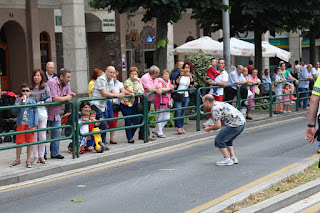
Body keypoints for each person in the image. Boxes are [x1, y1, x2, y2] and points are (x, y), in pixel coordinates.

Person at [203, 94, 245, 166]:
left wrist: (209, 129)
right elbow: (223, 121)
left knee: (219, 140)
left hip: (235, 124)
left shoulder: (214, 109)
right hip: (241, 123)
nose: (203, 104)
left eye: (203, 102)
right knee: (228, 140)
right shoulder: (219, 103)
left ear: (207, 101)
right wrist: (213, 126)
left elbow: (218, 126)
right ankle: (233, 157)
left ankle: (227, 159)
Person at [91, 66, 125, 146]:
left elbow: (113, 91)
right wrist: (117, 95)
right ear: (106, 71)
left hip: (103, 105)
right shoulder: (102, 79)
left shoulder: (111, 80)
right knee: (102, 124)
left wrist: (118, 94)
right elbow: (104, 93)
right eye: (110, 72)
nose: (112, 74)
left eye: (113, 73)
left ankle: (99, 142)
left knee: (102, 124)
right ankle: (100, 143)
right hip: (96, 105)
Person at [47, 68, 74, 159]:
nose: (69, 79)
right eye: (68, 77)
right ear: (61, 77)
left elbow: (69, 95)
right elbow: (54, 98)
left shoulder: (66, 83)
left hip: (56, 112)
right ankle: (42, 155)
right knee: (41, 135)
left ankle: (54, 153)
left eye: (70, 77)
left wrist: (65, 97)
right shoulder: (52, 82)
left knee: (57, 133)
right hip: (46, 112)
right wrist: (65, 98)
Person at [10, 83, 38, 168]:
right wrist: (19, 102)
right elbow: (13, 111)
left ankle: (28, 159)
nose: (25, 93)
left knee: (30, 142)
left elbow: (36, 114)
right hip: (21, 123)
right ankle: (17, 159)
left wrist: (35, 125)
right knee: (19, 142)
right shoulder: (18, 100)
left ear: (30, 92)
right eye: (23, 91)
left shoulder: (32, 102)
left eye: (27, 91)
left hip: (29, 124)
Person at [30, 69, 52, 165]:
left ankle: (41, 156)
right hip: (32, 112)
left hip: (42, 111)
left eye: (38, 75)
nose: (36, 77)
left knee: (42, 135)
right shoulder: (30, 87)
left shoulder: (45, 86)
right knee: (34, 135)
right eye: (35, 75)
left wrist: (42, 102)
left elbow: (50, 98)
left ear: (41, 77)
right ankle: (35, 157)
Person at [120, 67, 144, 143]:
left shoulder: (138, 81)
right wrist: (135, 85)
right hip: (126, 104)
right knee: (128, 121)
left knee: (137, 121)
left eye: (135, 74)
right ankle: (129, 138)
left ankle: (131, 135)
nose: (134, 75)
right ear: (129, 74)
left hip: (135, 103)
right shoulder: (127, 82)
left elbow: (141, 91)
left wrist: (136, 83)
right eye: (132, 74)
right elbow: (133, 91)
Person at [203, 58, 228, 126]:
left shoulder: (224, 73)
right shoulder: (213, 70)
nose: (220, 64)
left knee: (217, 108)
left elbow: (224, 84)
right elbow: (205, 78)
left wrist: (215, 83)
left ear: (224, 65)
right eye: (219, 63)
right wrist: (208, 81)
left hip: (219, 93)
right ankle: (211, 120)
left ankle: (217, 122)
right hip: (211, 92)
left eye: (222, 63)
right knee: (209, 106)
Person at [139, 65, 162, 141]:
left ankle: (142, 134)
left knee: (145, 117)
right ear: (155, 73)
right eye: (158, 73)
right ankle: (146, 135)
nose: (158, 75)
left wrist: (158, 88)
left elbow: (157, 85)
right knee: (145, 117)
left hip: (148, 100)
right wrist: (156, 90)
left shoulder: (154, 78)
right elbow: (149, 89)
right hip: (143, 100)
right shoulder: (146, 78)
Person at [174, 62, 194, 134]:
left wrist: (190, 77)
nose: (186, 69)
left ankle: (181, 127)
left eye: (188, 68)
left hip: (186, 95)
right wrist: (180, 76)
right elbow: (176, 83)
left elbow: (192, 84)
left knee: (183, 112)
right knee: (178, 110)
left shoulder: (190, 76)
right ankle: (178, 126)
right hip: (179, 95)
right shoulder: (179, 75)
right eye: (185, 67)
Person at [153, 69, 174, 138]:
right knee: (160, 117)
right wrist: (169, 88)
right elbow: (160, 88)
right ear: (162, 75)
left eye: (167, 74)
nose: (166, 76)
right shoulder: (159, 81)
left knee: (167, 117)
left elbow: (171, 88)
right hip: (160, 101)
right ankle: (159, 132)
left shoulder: (169, 81)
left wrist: (172, 87)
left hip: (167, 102)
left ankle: (157, 129)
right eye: (165, 74)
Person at [109, 71, 125, 144]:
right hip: (107, 104)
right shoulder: (107, 83)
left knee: (114, 123)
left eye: (115, 77)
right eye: (112, 77)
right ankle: (103, 138)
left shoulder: (119, 84)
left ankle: (112, 138)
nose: (113, 79)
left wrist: (123, 93)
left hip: (115, 105)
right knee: (105, 121)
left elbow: (123, 90)